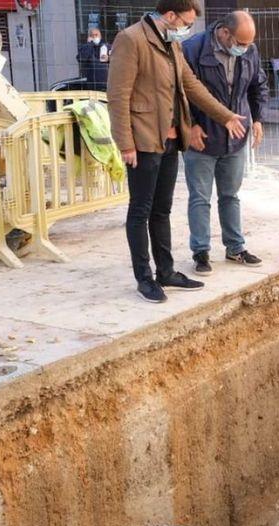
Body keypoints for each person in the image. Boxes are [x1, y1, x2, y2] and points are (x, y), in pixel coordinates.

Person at [108, 0, 248, 303]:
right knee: (140, 211)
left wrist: (225, 116)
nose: (187, 29)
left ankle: (166, 271)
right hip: (143, 141)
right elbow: (118, 95)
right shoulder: (131, 40)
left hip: (170, 140)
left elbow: (192, 85)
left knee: (162, 210)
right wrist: (125, 143)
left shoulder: (172, 44)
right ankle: (144, 278)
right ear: (170, 16)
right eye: (185, 23)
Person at [180, 11, 267, 275]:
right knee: (200, 198)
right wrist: (191, 125)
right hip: (202, 137)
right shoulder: (193, 49)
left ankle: (235, 248)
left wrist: (258, 119)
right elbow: (179, 92)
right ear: (224, 32)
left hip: (235, 137)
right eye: (240, 43)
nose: (245, 48)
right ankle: (201, 252)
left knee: (230, 196)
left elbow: (258, 85)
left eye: (248, 44)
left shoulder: (249, 50)